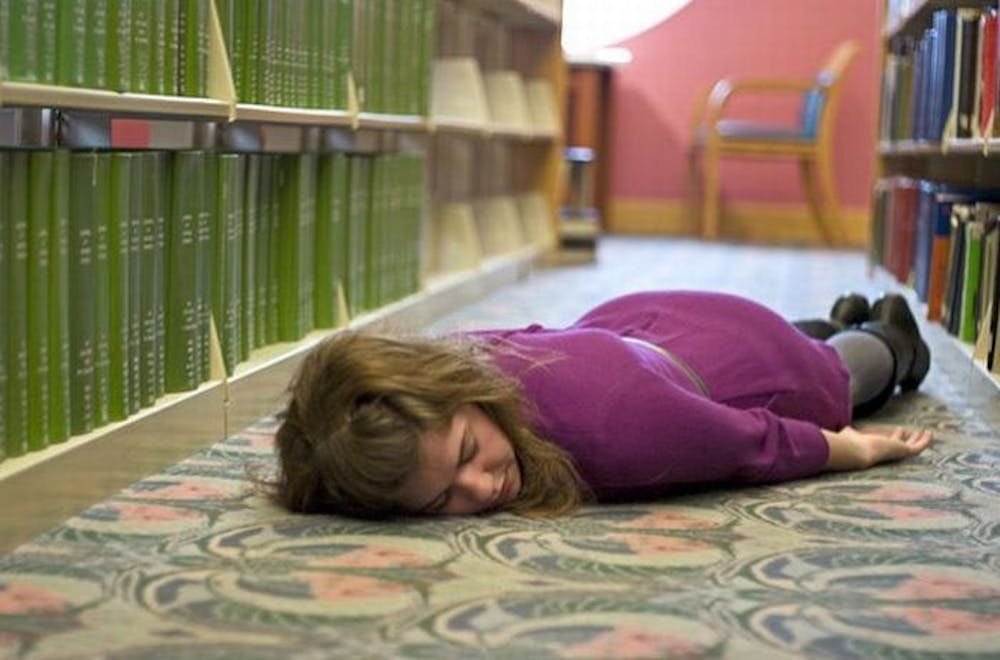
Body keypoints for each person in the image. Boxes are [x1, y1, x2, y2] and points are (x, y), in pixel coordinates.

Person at [272, 290, 934, 519]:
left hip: (745, 370)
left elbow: (748, 442)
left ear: (462, 393)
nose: (482, 486)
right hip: (647, 327)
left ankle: (879, 335)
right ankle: (822, 320)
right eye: (443, 500)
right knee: (787, 336)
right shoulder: (442, 369)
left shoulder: (619, 430)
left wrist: (850, 448)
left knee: (838, 377)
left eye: (469, 453)